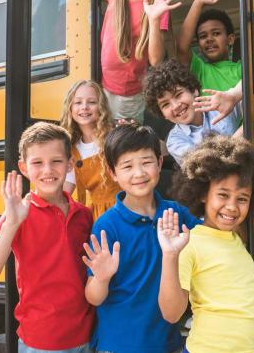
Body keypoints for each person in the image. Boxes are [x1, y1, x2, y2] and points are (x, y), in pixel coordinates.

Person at [82, 124, 202, 353]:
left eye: (146, 162)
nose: (139, 173)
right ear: (113, 173)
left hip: (167, 343)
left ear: (159, 162)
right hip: (119, 345)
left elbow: (209, 239)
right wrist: (102, 278)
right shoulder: (107, 226)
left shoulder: (176, 213)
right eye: (127, 165)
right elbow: (93, 298)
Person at [0, 122, 94, 353]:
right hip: (41, 340)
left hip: (86, 335)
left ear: (70, 164)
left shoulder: (83, 214)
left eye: (56, 161)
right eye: (37, 163)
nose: (47, 170)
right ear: (23, 167)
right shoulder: (17, 213)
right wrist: (12, 223)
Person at [157, 135, 254, 353]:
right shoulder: (188, 244)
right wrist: (170, 256)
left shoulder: (237, 240)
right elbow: (171, 313)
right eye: (223, 195)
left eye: (242, 199)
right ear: (202, 194)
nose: (232, 207)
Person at [99, 0, 181, 123]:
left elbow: (155, 60)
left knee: (122, 144)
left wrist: (153, 18)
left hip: (127, 93)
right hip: (100, 85)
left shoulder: (155, 3)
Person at [144, 60, 242, 166]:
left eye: (178, 95)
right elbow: (210, 164)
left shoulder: (217, 106)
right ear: (163, 114)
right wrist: (245, 129)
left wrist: (233, 96)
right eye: (165, 105)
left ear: (194, 90)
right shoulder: (175, 142)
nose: (176, 106)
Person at [61, 79, 122, 220]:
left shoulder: (114, 136)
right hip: (98, 217)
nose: (84, 107)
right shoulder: (72, 150)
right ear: (70, 108)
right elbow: (65, 191)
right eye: (78, 102)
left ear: (101, 107)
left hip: (125, 208)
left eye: (92, 102)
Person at [175, 0, 242, 92]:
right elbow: (182, 48)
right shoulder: (200, 70)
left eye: (216, 33)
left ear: (230, 39)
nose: (209, 39)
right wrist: (198, 2)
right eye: (203, 36)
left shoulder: (242, 68)